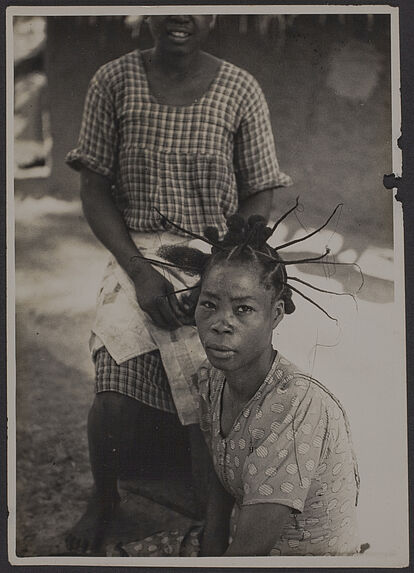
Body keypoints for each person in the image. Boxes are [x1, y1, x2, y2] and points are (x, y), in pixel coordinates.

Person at [65, 14, 292, 554]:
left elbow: (260, 190)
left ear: (213, 15)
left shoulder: (240, 87)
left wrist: (221, 269)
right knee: (115, 391)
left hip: (215, 255)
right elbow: (94, 191)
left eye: (196, 5)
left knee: (212, 377)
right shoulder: (113, 80)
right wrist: (141, 275)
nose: (180, 16)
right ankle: (104, 496)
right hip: (135, 252)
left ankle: (216, 517)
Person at [109, 211, 362, 557]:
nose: (220, 323)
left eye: (243, 309)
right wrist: (210, 548)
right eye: (209, 304)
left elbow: (250, 551)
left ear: (275, 315)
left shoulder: (296, 406)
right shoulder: (212, 380)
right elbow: (220, 476)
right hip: (238, 544)